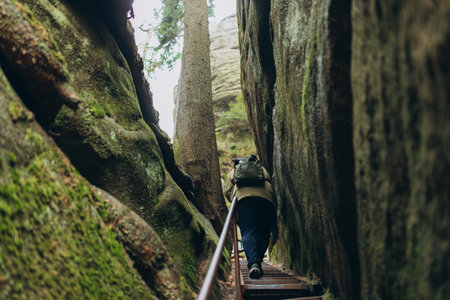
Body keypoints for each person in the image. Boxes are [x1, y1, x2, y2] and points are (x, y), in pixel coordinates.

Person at [224, 155, 278, 278]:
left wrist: (234, 201)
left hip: (244, 200)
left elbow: (227, 190)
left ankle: (254, 263)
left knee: (248, 231)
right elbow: (270, 182)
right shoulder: (262, 169)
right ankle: (257, 261)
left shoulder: (234, 171)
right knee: (264, 232)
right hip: (266, 199)